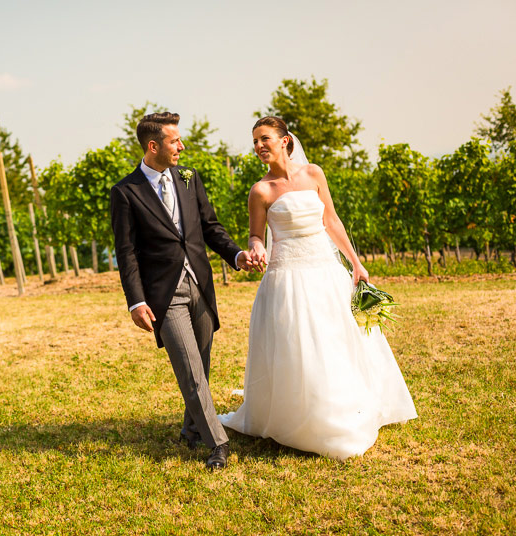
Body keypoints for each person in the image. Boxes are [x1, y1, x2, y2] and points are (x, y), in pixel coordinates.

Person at [218, 117, 417, 460]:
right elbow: (255, 234)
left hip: (325, 270)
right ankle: (303, 416)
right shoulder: (260, 190)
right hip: (287, 277)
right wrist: (258, 247)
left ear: (284, 140)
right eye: (254, 141)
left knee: (334, 339)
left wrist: (355, 262)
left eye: (265, 138)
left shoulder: (313, 174)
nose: (259, 146)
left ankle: (342, 409)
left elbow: (331, 221)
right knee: (298, 343)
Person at [110, 112, 255, 470]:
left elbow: (209, 227)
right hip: (164, 294)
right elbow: (126, 252)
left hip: (201, 286)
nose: (182, 146)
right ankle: (217, 443)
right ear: (153, 146)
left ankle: (190, 430)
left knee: (200, 364)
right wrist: (137, 301)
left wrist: (236, 255)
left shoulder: (190, 179)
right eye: (175, 141)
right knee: (189, 368)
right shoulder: (126, 192)